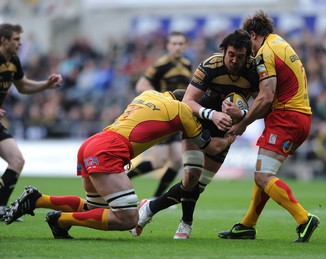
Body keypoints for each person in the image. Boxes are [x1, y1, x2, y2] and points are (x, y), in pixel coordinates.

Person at [3, 89, 235, 239]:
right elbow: (211, 148)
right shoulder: (183, 110)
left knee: (96, 210)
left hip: (93, 143)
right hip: (110, 149)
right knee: (127, 218)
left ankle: (38, 199)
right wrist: (233, 132)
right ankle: (60, 220)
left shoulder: (148, 94)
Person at [131, 29, 259, 239]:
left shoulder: (253, 71)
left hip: (226, 126)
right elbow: (188, 101)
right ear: (224, 51)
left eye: (240, 57)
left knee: (196, 187)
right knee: (190, 175)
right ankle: (186, 224)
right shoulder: (211, 65)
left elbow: (261, 104)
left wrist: (242, 116)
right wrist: (214, 114)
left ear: (248, 56)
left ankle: (149, 207)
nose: (235, 60)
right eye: (231, 55)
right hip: (198, 117)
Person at [218, 10, 320, 242]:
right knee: (263, 174)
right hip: (298, 116)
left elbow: (265, 97)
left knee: (263, 176)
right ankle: (248, 225)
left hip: (287, 118)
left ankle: (304, 219)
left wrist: (242, 123)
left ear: (254, 34)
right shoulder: (281, 43)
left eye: (248, 40)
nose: (248, 48)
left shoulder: (266, 52)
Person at [0, 23, 62, 221]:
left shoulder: (13, 61)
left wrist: (46, 84)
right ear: (3, 40)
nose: (20, 43)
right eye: (16, 39)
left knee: (17, 160)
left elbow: (23, 86)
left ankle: (0, 208)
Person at [127, 31, 192, 199]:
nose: (177, 47)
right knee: (159, 162)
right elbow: (141, 85)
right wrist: (160, 99)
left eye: (180, 44)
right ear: (168, 46)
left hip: (176, 118)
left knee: (177, 160)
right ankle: (124, 177)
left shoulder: (187, 65)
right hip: (161, 117)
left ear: (185, 46)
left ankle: (157, 198)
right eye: (174, 44)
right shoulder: (161, 65)